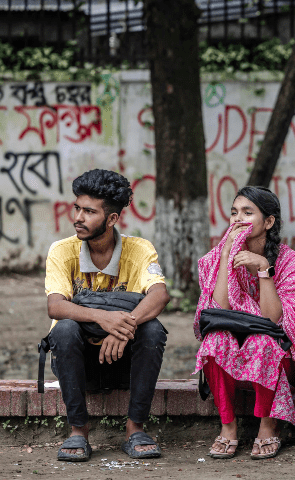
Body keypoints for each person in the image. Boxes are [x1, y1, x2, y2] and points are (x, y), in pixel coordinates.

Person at [45, 169, 170, 462]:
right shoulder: (62, 251)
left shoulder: (139, 250)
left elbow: (159, 295)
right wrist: (104, 318)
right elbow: (55, 306)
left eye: (89, 211)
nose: (78, 216)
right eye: (77, 207)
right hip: (79, 366)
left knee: (152, 330)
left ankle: (135, 429)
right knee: (63, 329)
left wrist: (122, 327)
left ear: (112, 219)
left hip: (125, 363)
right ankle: (78, 431)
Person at [193, 186, 295, 460]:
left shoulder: (292, 263)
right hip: (234, 349)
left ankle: (269, 424)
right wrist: (225, 257)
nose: (237, 219)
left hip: (281, 356)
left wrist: (263, 270)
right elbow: (219, 308)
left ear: (269, 222)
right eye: (234, 212)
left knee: (262, 341)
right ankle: (228, 426)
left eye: (248, 212)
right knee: (215, 340)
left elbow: (275, 322)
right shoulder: (218, 257)